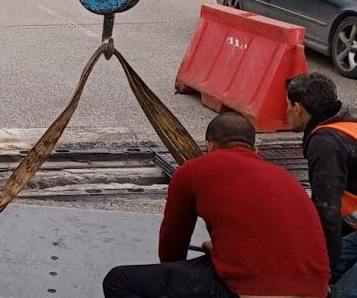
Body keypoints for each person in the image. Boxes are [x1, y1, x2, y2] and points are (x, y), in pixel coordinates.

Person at [103, 112, 330, 297]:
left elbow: (173, 244)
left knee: (119, 281)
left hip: (251, 288)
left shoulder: (193, 170)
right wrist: (222, 250)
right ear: (255, 150)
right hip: (316, 289)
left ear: (209, 146)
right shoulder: (286, 177)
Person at [286, 73, 357, 288]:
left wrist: (323, 269)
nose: (286, 112)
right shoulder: (347, 120)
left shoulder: (326, 143)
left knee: (342, 290)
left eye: (288, 105)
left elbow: (327, 211)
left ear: (298, 108)